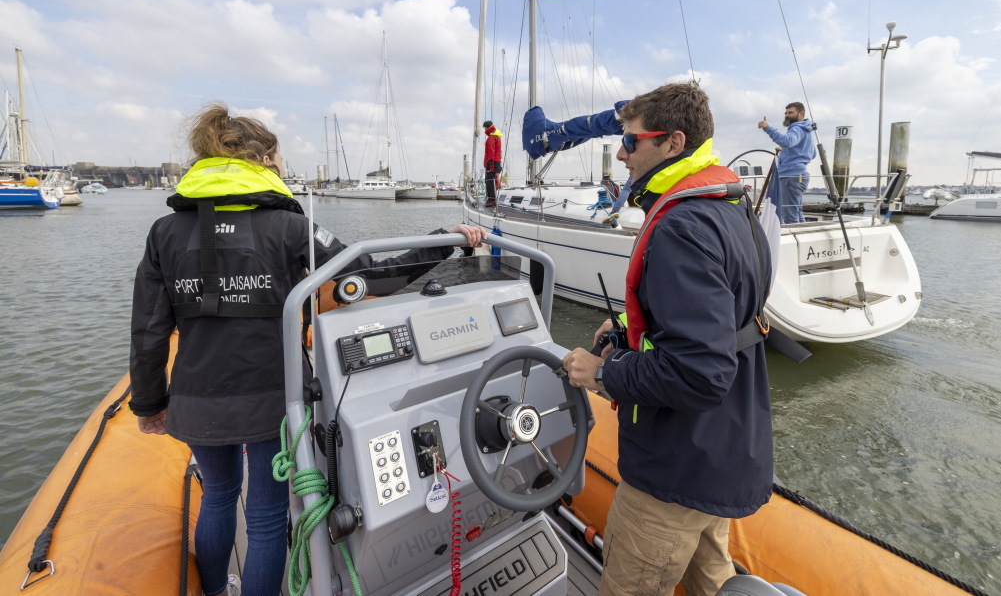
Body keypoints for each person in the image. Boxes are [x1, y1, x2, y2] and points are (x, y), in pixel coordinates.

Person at [129, 103, 484, 596]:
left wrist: (149, 403)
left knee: (218, 498)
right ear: (266, 160)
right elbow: (369, 274)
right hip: (270, 397)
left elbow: (148, 329)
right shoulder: (289, 227)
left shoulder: (164, 232)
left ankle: (214, 590)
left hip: (197, 395)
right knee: (267, 515)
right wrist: (442, 242)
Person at [562, 82, 773, 596]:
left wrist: (603, 372)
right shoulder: (730, 205)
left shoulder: (682, 225)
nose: (620, 152)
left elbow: (699, 373)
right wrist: (630, 332)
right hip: (722, 451)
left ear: (673, 143)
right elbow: (729, 316)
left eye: (631, 141)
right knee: (713, 580)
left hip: (674, 470)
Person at [758, 102, 816, 223]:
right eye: (786, 113)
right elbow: (813, 153)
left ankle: (796, 239)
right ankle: (803, 238)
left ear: (801, 113)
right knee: (797, 213)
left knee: (790, 215)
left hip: (791, 176)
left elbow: (787, 141)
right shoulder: (807, 130)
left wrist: (767, 128)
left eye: (790, 113)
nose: (787, 115)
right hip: (799, 175)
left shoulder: (796, 128)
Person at [482, 120, 503, 207]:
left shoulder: (491, 138)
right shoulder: (497, 137)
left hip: (492, 163)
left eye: (484, 128)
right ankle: (492, 198)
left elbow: (490, 152)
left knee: (489, 181)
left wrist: (489, 165)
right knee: (493, 181)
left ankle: (492, 199)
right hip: (497, 161)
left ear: (487, 128)